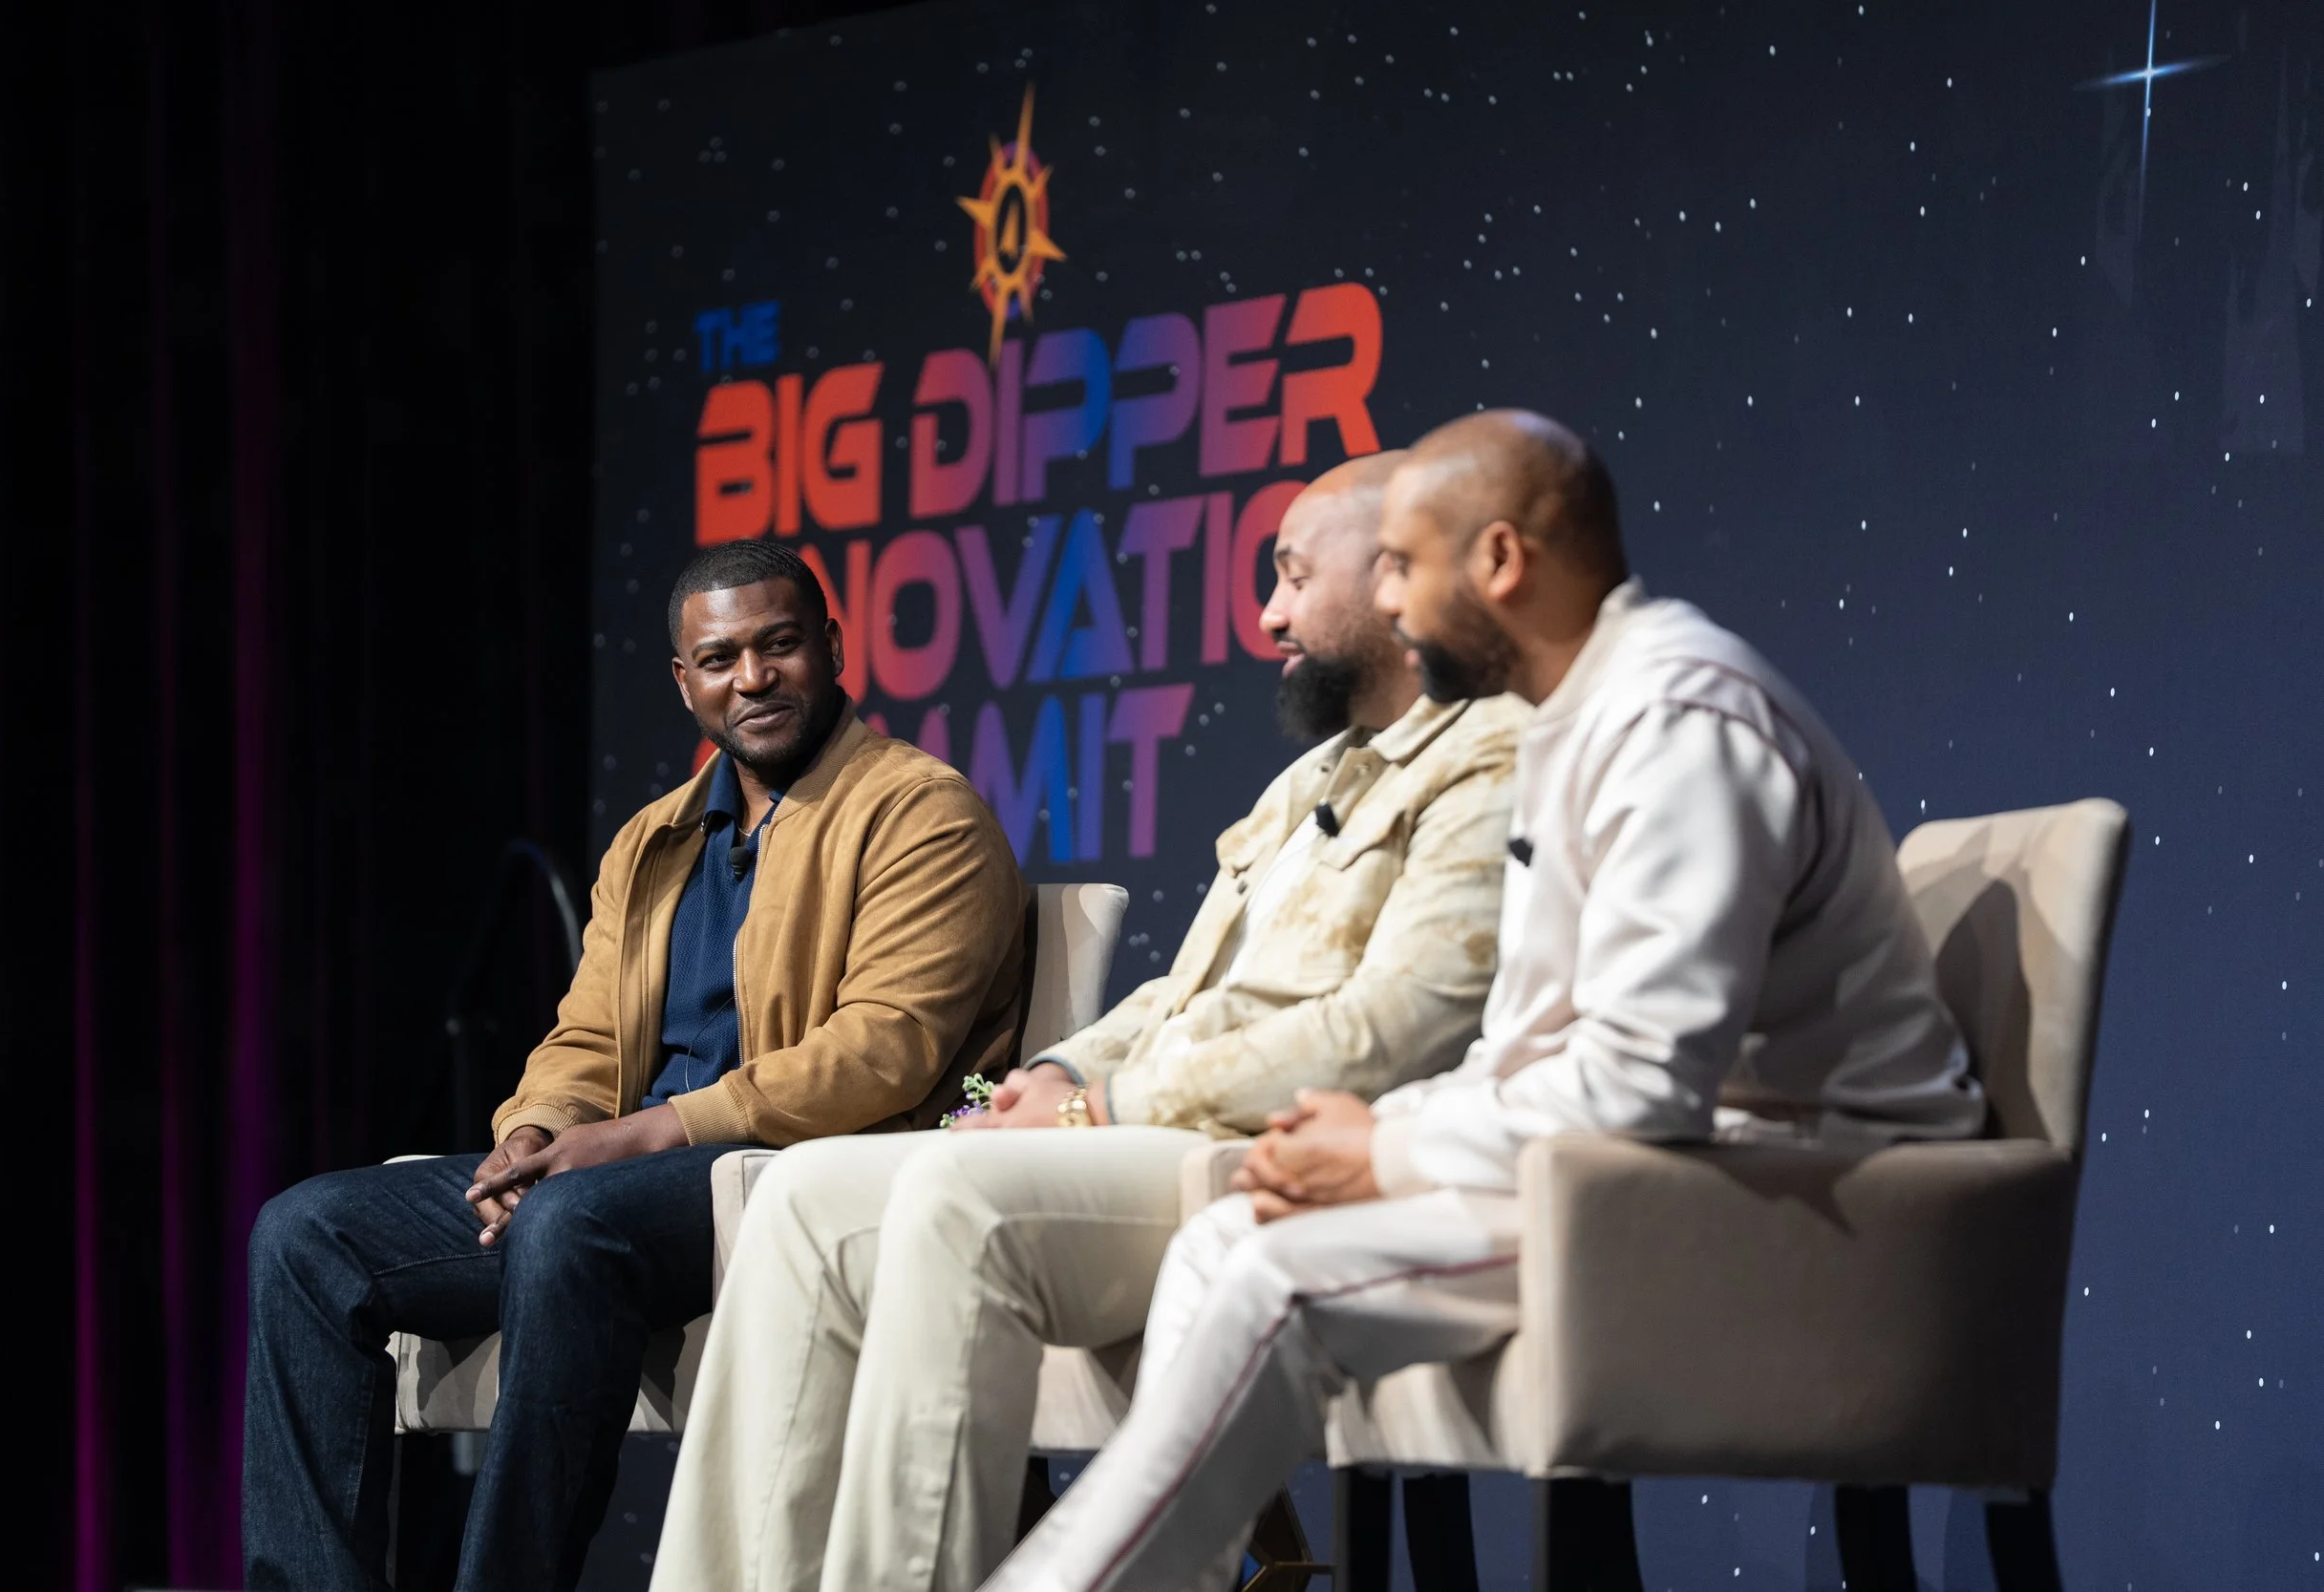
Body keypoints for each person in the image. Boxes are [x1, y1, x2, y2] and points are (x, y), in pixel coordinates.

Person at [980, 410, 1987, 1592]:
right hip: (1653, 1171)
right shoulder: (1578, 719)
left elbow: (1639, 1085)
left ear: (1501, 561)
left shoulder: (1676, 719)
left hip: (1794, 1197)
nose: (1389, 608)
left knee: (1268, 1278)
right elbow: (1538, 1047)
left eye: (1401, 565)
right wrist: (1368, 1137)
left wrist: (1387, 1148)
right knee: (1222, 1242)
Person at [646, 452, 1527, 1592]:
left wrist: (1106, 1103)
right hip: (1152, 1122)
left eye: (1293, 575)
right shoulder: (1315, 774)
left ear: (1398, 573)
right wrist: (1055, 1069)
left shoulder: (1497, 756)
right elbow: (1183, 992)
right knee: (798, 1196)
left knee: (956, 1200)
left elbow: (1406, 1021)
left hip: (1275, 1149)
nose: (1266, 613)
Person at [241, 541, 1028, 1592]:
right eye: (719, 658)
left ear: (832, 647)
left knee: (572, 1219)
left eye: (779, 644)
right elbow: (588, 1037)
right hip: (625, 1187)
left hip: (807, 1179)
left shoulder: (922, 813)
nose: (751, 678)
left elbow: (883, 1051)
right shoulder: (653, 840)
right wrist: (534, 1129)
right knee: (306, 1232)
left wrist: (636, 1135)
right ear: (684, 680)